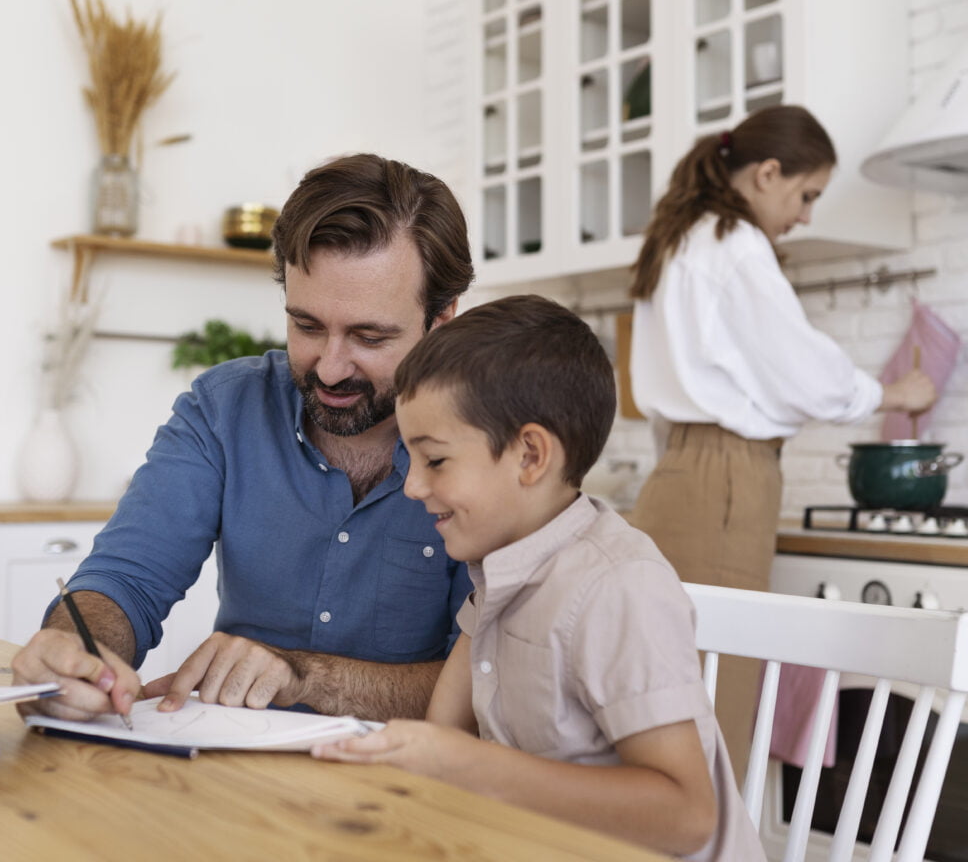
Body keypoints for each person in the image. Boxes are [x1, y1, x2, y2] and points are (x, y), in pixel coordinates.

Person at [12, 153, 476, 725]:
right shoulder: (223, 410)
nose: (330, 368)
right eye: (306, 325)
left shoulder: (488, 447)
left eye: (369, 337)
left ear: (442, 320)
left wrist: (303, 676)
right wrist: (73, 649)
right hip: (233, 766)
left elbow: (488, 684)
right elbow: (126, 578)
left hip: (415, 773)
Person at [313, 295, 765, 861]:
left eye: (436, 460)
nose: (413, 487)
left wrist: (470, 766)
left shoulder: (618, 587)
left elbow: (688, 816)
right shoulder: (499, 568)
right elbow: (443, 739)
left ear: (530, 455)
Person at [626, 105, 938, 760]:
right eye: (807, 194)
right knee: (718, 695)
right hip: (726, 480)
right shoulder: (735, 243)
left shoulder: (679, 237)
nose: (806, 216)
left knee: (663, 689)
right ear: (768, 173)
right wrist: (890, 393)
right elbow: (804, 370)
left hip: (678, 475)